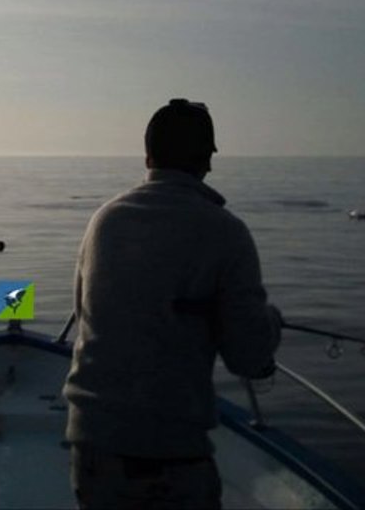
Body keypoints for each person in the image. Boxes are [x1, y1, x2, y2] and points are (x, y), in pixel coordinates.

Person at [62, 98, 282, 510]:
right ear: (208, 161)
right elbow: (249, 358)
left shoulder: (104, 220)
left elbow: (83, 314)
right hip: (171, 452)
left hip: (91, 444)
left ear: (147, 155)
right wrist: (272, 324)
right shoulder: (225, 232)